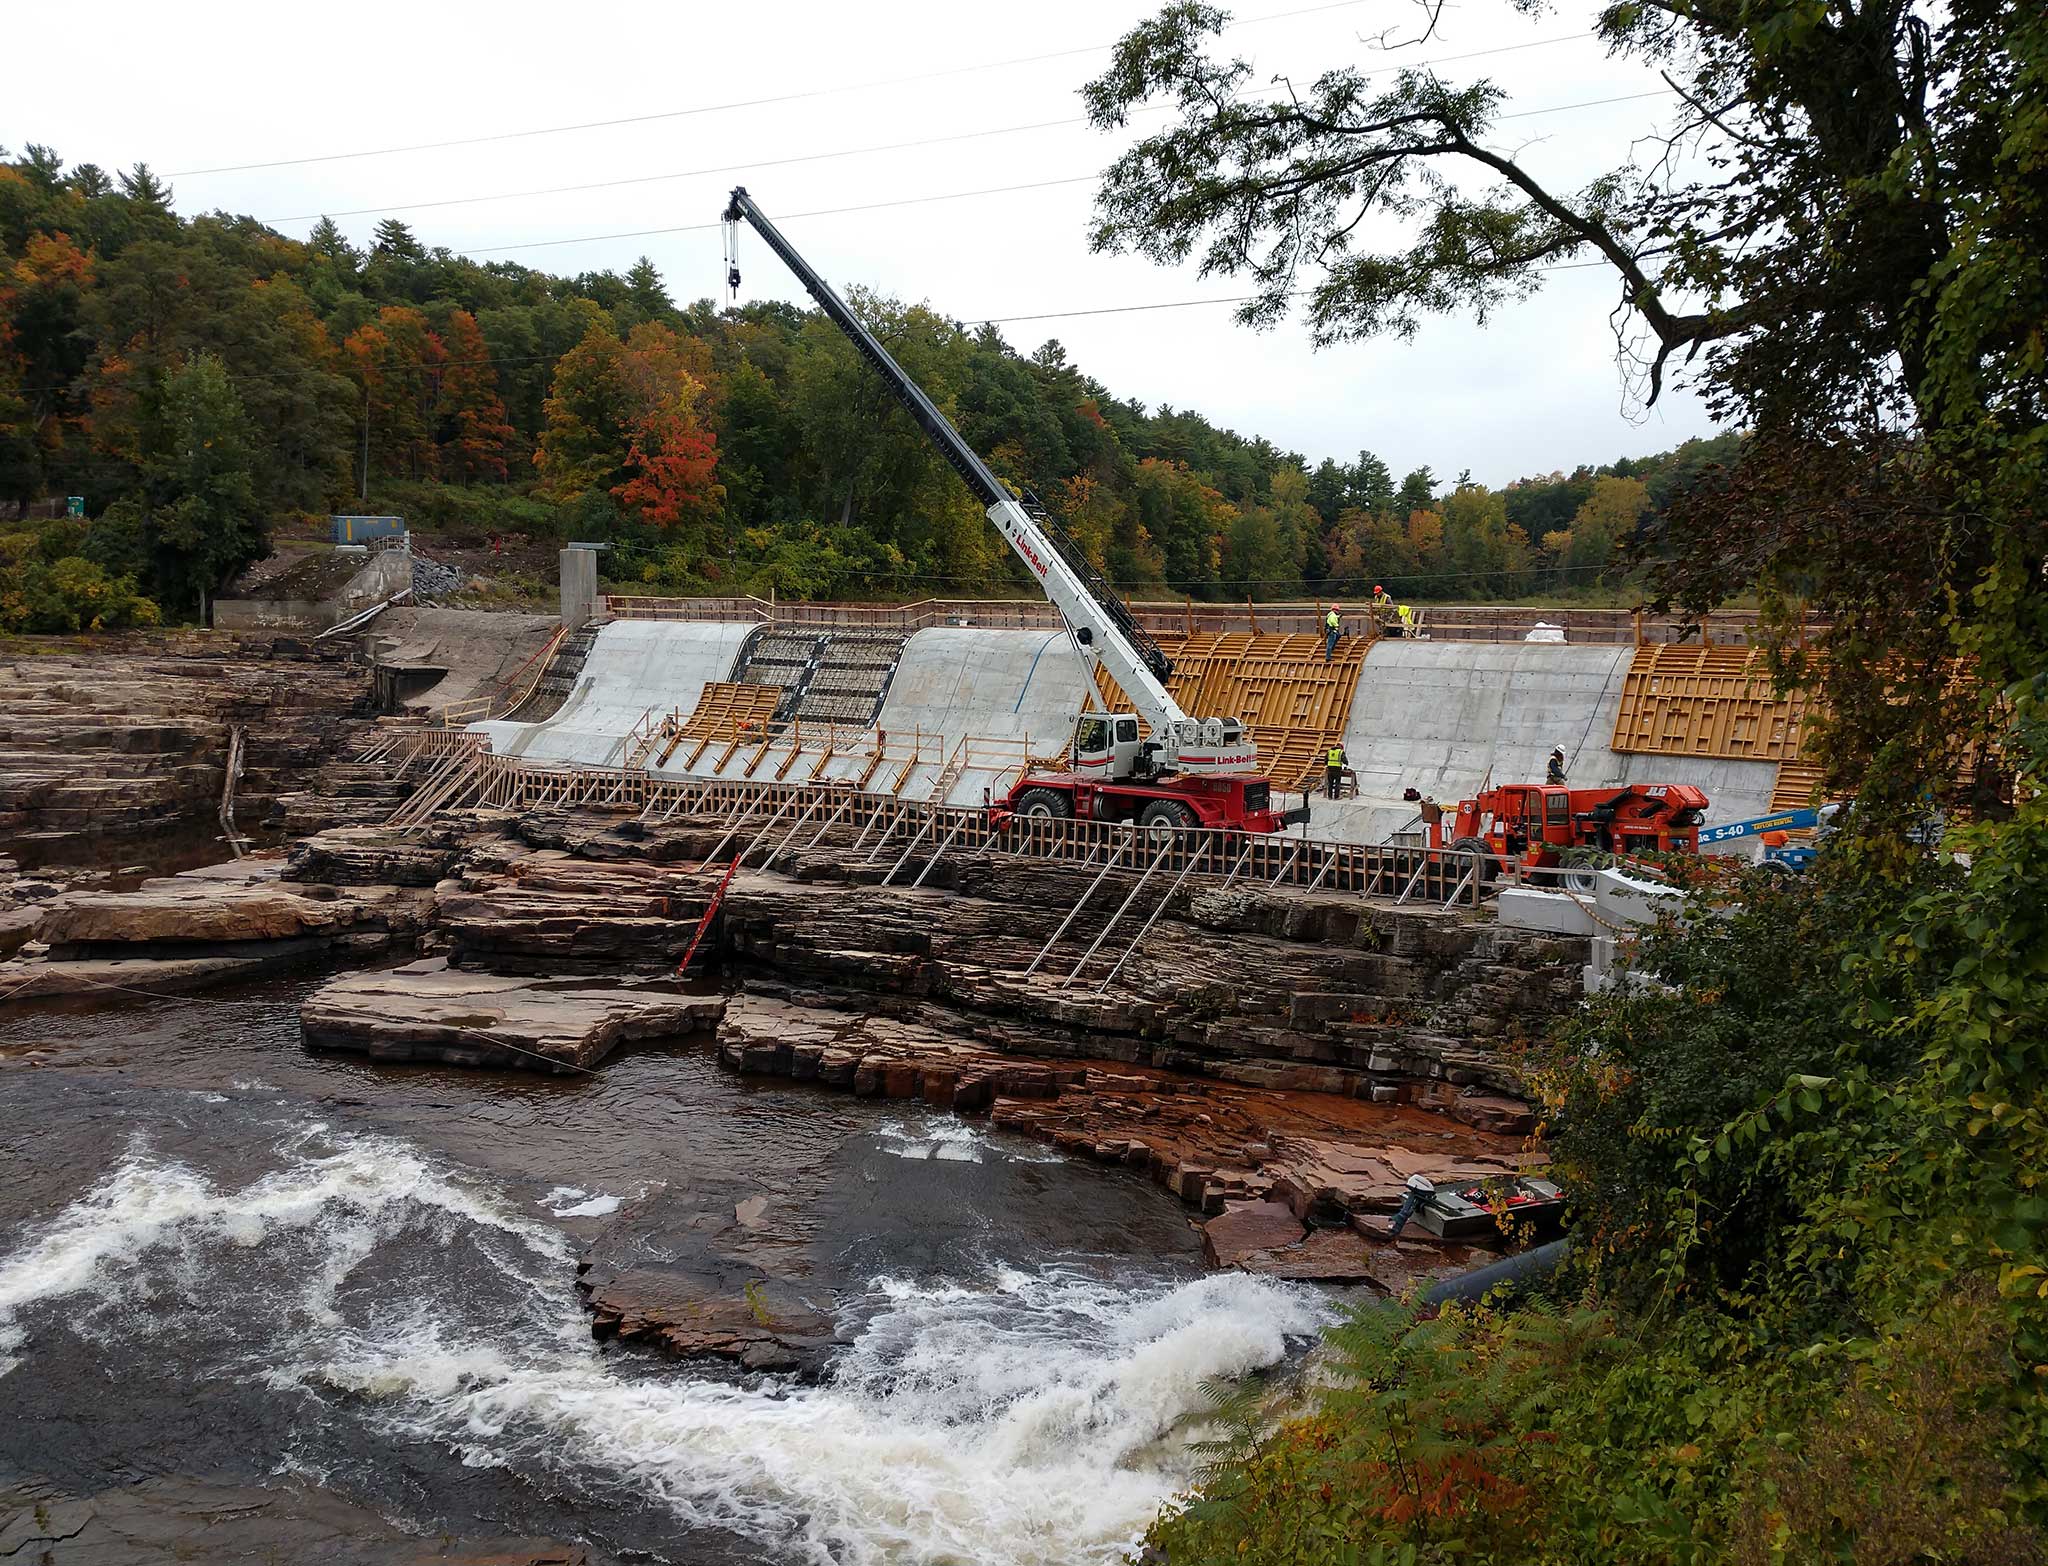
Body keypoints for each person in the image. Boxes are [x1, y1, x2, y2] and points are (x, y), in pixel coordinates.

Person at [1388, 1173, 1436, 1238]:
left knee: (1407, 1210)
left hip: (1422, 1191)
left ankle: (1397, 1225)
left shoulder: (1416, 1184)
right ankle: (1397, 1224)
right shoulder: (1416, 1184)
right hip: (1422, 1191)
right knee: (1407, 1210)